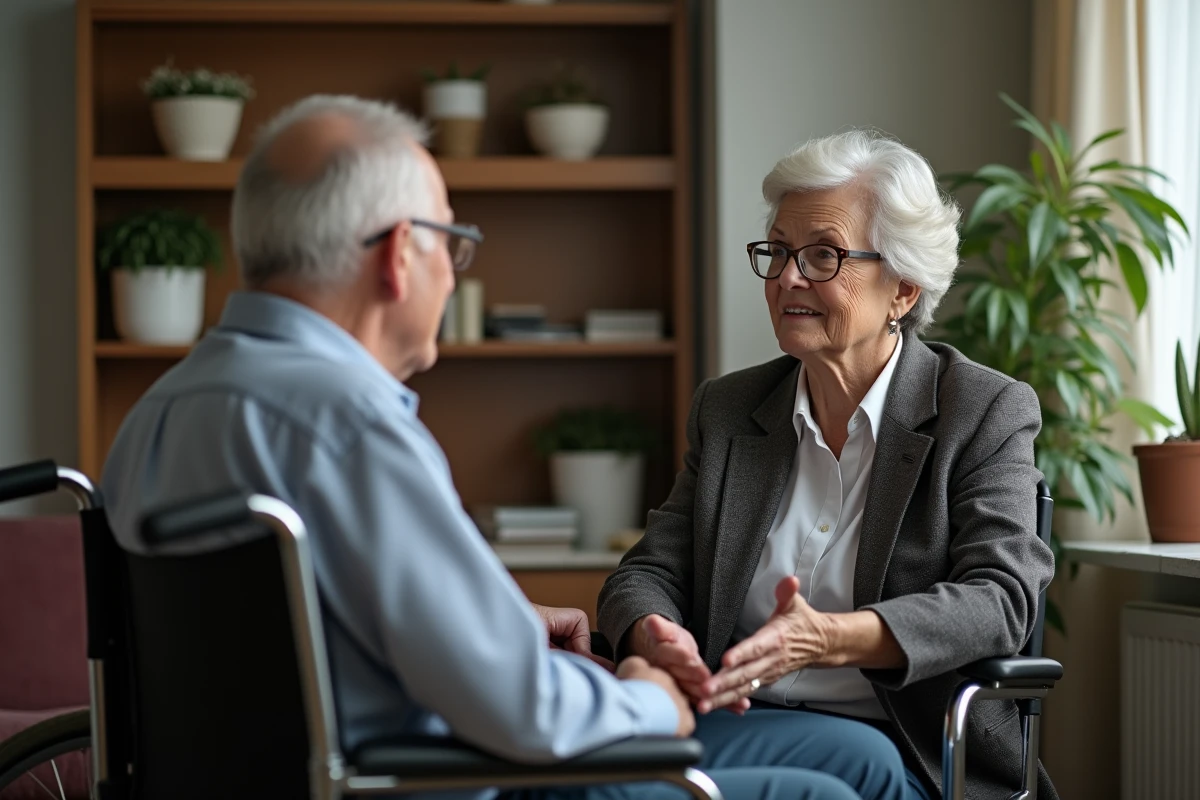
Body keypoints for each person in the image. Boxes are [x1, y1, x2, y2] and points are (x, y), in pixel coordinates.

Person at [100, 95, 884, 800]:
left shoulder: (155, 417)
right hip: (452, 778)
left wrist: (497, 622)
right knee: (827, 791)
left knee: (852, 758)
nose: (453, 272)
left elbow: (299, 639)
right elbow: (527, 714)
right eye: (452, 241)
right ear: (400, 255)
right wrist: (651, 695)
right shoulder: (348, 426)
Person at [597, 129, 1058, 800]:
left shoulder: (980, 410)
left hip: (906, 744)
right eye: (779, 252)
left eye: (822, 256)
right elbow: (648, 571)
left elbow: (1000, 598)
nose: (787, 277)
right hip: (737, 722)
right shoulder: (731, 408)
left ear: (902, 289)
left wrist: (833, 639)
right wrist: (655, 631)